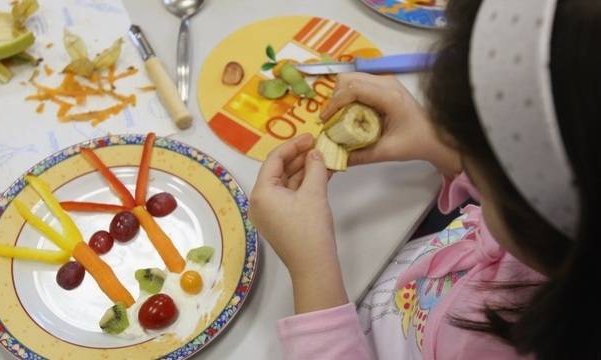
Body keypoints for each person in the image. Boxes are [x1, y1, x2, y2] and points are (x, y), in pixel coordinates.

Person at [249, 0, 600, 359]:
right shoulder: (561, 235)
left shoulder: (498, 345)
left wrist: (312, 270)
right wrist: (439, 146)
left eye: (469, 147)